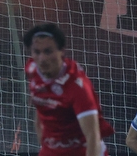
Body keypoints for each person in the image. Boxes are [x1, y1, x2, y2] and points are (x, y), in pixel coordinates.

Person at [24, 22, 114, 156]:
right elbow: (40, 110)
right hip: (52, 150)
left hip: (83, 151)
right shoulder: (33, 70)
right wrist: (44, 147)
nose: (42, 58)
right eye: (37, 52)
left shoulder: (77, 86)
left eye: (48, 51)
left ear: (61, 51)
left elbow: (92, 137)